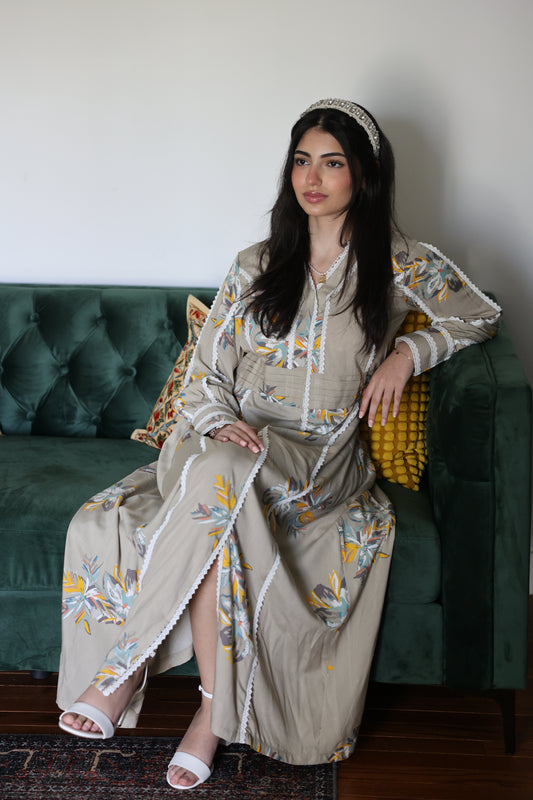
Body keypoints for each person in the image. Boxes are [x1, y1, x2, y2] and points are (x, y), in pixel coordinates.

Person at [57, 98, 501, 790]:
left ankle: (123, 671)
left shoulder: (400, 263)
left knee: (222, 486)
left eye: (332, 162)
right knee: (186, 494)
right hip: (224, 440)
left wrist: (407, 352)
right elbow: (206, 372)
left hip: (316, 456)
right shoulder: (256, 263)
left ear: (365, 174)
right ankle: (209, 712)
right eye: (301, 161)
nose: (312, 177)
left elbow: (481, 314)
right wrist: (211, 423)